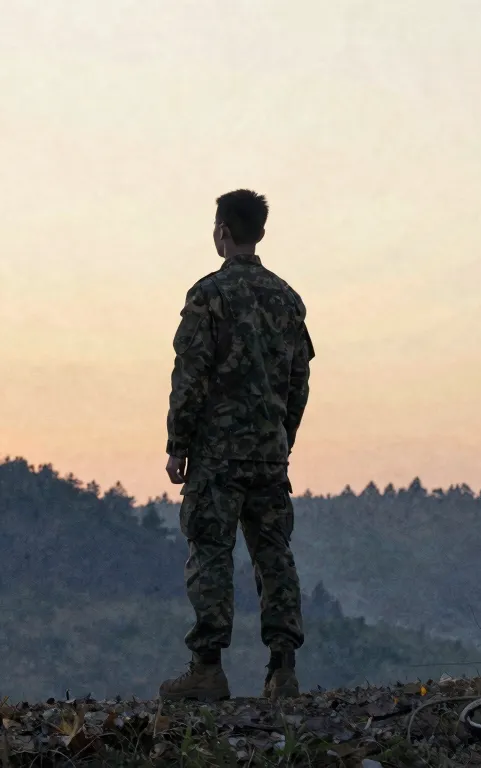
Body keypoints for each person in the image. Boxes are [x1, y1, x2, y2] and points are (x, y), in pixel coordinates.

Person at [159, 189, 313, 702]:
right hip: (269, 453)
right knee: (274, 555)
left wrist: (178, 443)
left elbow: (190, 375)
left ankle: (207, 669)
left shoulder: (209, 295)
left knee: (210, 552)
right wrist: (282, 437)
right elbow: (299, 381)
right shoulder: (288, 299)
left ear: (223, 231)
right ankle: (283, 671)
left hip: (217, 455)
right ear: (260, 232)